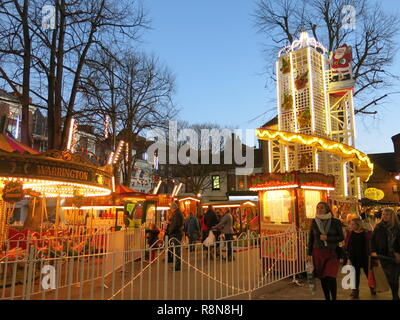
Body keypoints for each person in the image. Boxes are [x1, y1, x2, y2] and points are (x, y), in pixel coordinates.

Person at [307, 202, 344, 301]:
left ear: (327, 209)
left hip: (331, 252)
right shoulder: (314, 222)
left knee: (330, 276)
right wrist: (308, 253)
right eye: (317, 208)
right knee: (323, 277)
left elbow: (341, 237)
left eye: (322, 208)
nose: (319, 210)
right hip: (318, 252)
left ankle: (334, 297)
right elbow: (311, 238)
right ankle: (327, 297)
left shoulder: (335, 222)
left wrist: (328, 238)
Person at [371, 208, 400, 300]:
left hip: (395, 255)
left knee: (394, 277)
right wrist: (373, 251)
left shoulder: (397, 227)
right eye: (383, 214)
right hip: (382, 255)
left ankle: (395, 296)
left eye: (387, 215)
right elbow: (372, 240)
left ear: (392, 216)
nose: (384, 216)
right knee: (387, 276)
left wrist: (398, 252)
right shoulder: (378, 227)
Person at [344, 218, 375, 299]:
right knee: (355, 274)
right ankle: (355, 291)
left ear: (358, 224)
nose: (351, 226)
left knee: (368, 274)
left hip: (365, 256)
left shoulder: (366, 233)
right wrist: (346, 253)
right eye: (351, 224)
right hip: (353, 257)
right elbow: (347, 243)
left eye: (353, 224)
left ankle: (372, 287)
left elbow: (371, 243)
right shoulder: (350, 233)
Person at [167, 202, 184, 271]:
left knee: (177, 250)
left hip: (176, 233)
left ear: (173, 208)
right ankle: (177, 265)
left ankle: (177, 266)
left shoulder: (177, 214)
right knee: (176, 249)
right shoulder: (178, 213)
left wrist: (171, 230)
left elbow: (176, 224)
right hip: (177, 233)